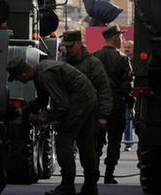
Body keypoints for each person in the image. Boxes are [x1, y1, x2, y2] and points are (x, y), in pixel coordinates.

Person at [8, 55, 102, 195]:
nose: (18, 81)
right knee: (86, 143)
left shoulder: (45, 75)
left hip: (79, 102)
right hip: (87, 98)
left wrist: (41, 118)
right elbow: (42, 100)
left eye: (17, 78)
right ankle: (90, 186)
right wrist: (24, 110)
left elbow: (62, 106)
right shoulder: (39, 72)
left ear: (23, 74)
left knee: (63, 142)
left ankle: (67, 186)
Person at [61, 30, 113, 191]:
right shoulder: (63, 62)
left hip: (88, 115)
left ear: (79, 43)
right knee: (64, 150)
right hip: (69, 113)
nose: (68, 49)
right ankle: (66, 184)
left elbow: (104, 90)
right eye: (66, 46)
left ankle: (90, 185)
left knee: (88, 152)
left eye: (71, 46)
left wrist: (103, 115)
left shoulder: (92, 63)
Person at [92, 25, 134, 183]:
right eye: (121, 37)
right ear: (116, 38)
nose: (122, 40)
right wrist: (130, 103)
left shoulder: (95, 56)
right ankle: (109, 174)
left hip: (98, 104)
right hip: (116, 105)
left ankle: (93, 172)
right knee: (115, 141)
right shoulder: (122, 59)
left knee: (96, 141)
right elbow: (127, 85)